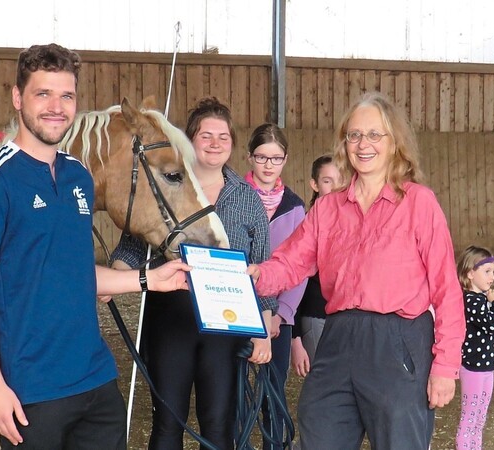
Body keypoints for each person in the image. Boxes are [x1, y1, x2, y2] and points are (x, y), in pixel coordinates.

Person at [0, 43, 192, 450]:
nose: (56, 107)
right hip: (31, 391)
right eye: (42, 94)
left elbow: (75, 271)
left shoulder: (77, 176)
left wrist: (150, 279)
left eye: (66, 96)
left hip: (96, 381)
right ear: (18, 98)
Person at [247, 92, 465, 449]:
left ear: (395, 142)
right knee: (318, 427)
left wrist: (445, 366)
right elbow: (289, 263)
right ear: (344, 142)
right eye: (354, 135)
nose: (363, 144)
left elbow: (446, 290)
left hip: (399, 341)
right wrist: (253, 276)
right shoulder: (329, 209)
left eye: (374, 135)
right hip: (339, 337)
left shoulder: (418, 203)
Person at [110, 97, 277, 450]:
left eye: (223, 137)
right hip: (172, 315)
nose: (215, 143)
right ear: (189, 139)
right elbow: (132, 247)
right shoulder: (161, 187)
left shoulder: (247, 199)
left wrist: (263, 328)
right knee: (167, 422)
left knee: (219, 424)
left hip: (226, 321)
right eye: (205, 135)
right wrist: (113, 278)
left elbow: (263, 264)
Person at [244, 123, 307, 449]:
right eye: (261, 157)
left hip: (276, 320)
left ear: (285, 160)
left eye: (276, 158)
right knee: (235, 393)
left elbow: (300, 268)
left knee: (273, 391)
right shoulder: (233, 197)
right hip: (236, 309)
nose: (268, 165)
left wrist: (281, 315)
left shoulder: (295, 208)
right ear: (250, 157)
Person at [455, 246, 494, 450]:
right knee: (469, 418)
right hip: (473, 368)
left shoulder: (486, 300)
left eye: (493, 272)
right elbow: (491, 325)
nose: (492, 277)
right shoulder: (470, 301)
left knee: (480, 419)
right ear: (470, 273)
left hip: (488, 368)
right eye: (487, 271)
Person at [290, 154, 342, 378]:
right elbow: (295, 281)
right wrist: (295, 337)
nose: (335, 187)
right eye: (327, 181)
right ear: (314, 184)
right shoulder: (307, 225)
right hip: (317, 316)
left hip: (346, 319)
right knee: (325, 384)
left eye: (340, 180)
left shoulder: (350, 224)